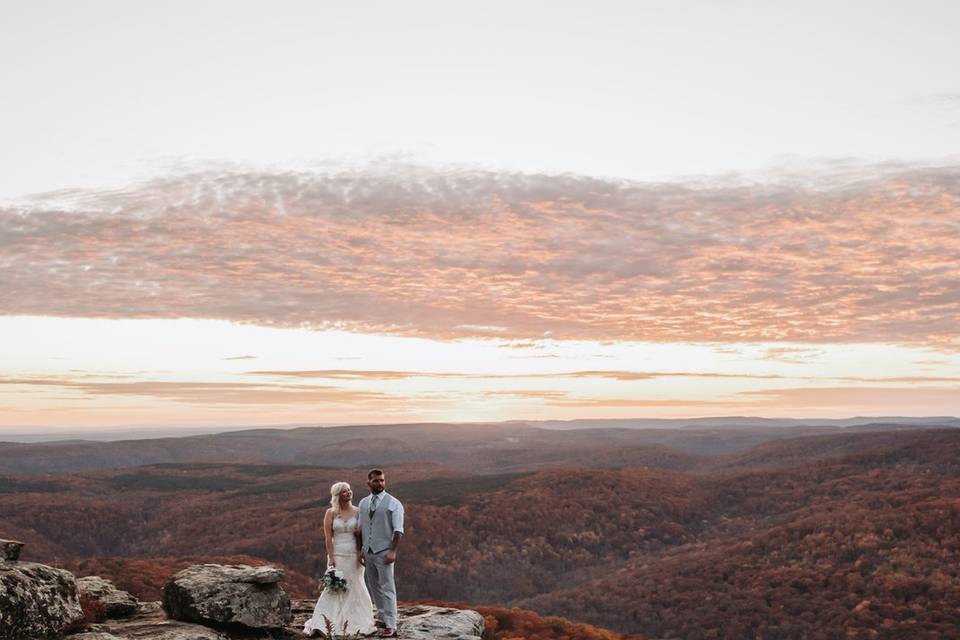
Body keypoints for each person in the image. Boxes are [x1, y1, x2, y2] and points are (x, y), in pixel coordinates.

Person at [304, 482, 377, 637]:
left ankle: (355, 621)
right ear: (338, 495)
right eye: (344, 491)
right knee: (334, 588)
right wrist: (331, 557)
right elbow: (328, 538)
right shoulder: (330, 513)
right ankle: (324, 622)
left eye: (349, 490)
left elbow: (363, 535)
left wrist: (361, 552)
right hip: (337, 555)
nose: (349, 493)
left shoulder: (358, 512)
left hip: (354, 555)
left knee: (355, 585)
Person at [356, 468, 404, 637]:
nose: (380, 483)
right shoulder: (363, 503)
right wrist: (361, 550)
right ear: (368, 483)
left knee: (388, 587)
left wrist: (393, 551)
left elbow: (398, 530)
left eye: (382, 480)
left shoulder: (394, 503)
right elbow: (360, 528)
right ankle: (382, 616)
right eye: (376, 481)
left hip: (384, 552)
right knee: (374, 585)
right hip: (368, 552)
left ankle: (391, 624)